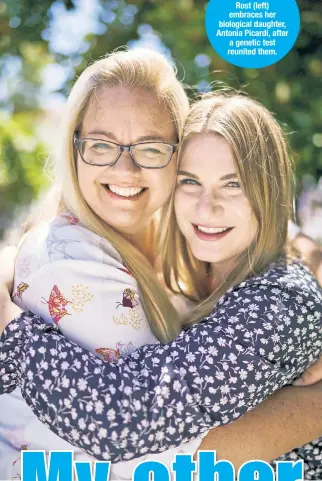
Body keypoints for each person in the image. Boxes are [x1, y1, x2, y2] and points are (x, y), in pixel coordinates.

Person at [0, 90, 321, 479]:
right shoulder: (198, 273)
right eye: (190, 181)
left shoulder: (277, 302)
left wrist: (8, 323)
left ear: (267, 190)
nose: (207, 206)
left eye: (233, 184)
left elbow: (122, 420)